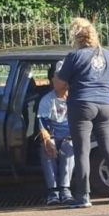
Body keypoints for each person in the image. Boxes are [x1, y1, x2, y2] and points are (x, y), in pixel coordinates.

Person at [54, 17, 109, 208]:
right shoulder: (108, 55)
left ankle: (83, 196)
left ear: (76, 37)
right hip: (106, 106)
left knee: (82, 150)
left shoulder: (74, 57)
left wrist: (64, 85)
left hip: (82, 104)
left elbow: (59, 85)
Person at [37, 66, 74, 206]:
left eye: (58, 77)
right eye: (54, 77)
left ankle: (65, 189)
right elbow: (42, 124)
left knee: (68, 148)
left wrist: (71, 136)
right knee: (46, 150)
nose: (54, 80)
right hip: (53, 133)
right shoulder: (47, 100)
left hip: (70, 135)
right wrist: (47, 140)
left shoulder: (73, 98)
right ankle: (53, 191)